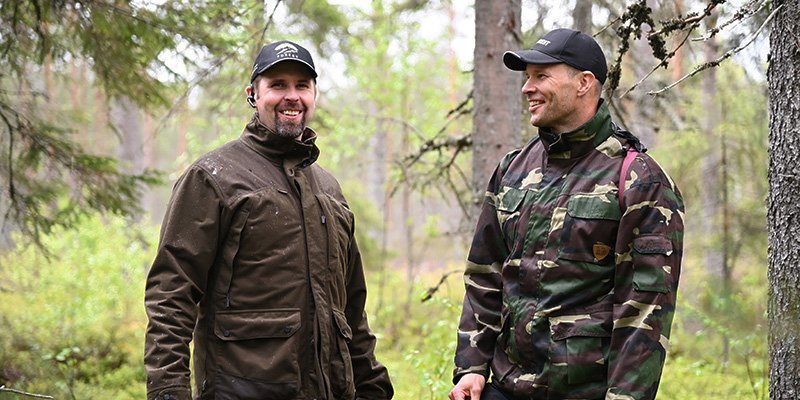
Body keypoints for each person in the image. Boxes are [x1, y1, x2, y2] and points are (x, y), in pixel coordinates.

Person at [144, 40, 394, 400]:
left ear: (314, 95)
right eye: (278, 85)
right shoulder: (213, 177)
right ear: (253, 95)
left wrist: (372, 387)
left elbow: (351, 309)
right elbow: (171, 294)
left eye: (302, 86)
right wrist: (168, 390)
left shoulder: (328, 191)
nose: (292, 96)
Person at [449, 28, 684, 400]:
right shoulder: (513, 169)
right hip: (504, 388)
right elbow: (485, 274)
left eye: (541, 76)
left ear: (584, 83)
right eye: (527, 77)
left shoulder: (638, 180)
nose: (527, 88)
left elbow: (644, 311)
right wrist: (472, 368)